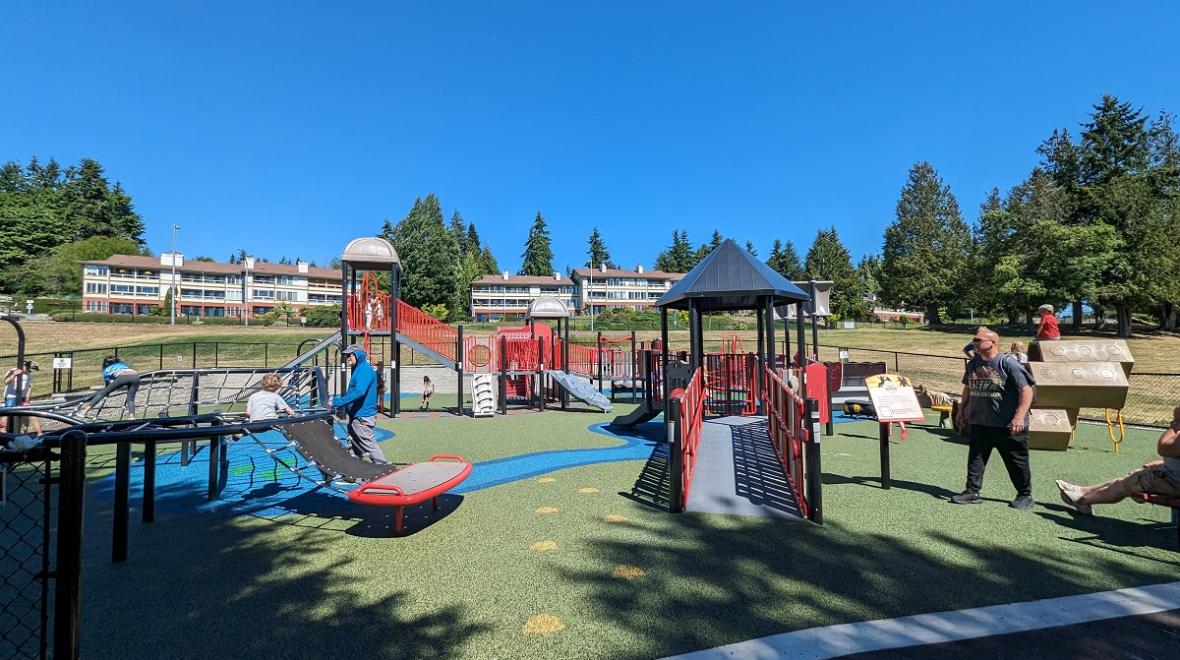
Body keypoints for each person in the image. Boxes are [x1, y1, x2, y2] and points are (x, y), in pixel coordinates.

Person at [951, 327, 1036, 509]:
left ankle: (1024, 495)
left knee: (1016, 461)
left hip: (1008, 425)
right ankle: (972, 491)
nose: (974, 343)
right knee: (976, 458)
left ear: (992, 343)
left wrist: (1019, 417)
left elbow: (1026, 391)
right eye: (974, 340)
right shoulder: (973, 363)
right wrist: (961, 410)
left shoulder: (1008, 363)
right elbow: (968, 388)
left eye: (978, 340)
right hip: (980, 422)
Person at [1057, 406, 1180, 515]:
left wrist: (1176, 423)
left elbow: (1165, 447)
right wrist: (1161, 462)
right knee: (1129, 479)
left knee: (1124, 486)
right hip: (1170, 475)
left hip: (1173, 481)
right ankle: (1082, 491)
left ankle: (1081, 501)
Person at [331, 345, 386, 464]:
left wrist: (338, 402)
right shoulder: (358, 368)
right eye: (346, 355)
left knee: (368, 445)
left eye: (350, 355)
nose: (348, 357)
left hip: (362, 416)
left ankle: (384, 471)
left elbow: (360, 391)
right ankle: (354, 473)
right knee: (353, 445)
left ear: (358, 355)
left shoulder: (364, 369)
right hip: (356, 415)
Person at [2, 361, 42, 434]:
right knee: (6, 414)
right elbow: (6, 382)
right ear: (23, 366)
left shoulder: (28, 374)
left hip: (23, 398)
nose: (29, 371)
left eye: (30, 370)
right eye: (28, 369)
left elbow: (29, 387)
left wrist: (27, 400)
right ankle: (2, 430)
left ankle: (40, 433)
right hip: (11, 397)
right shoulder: (12, 371)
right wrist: (14, 374)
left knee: (32, 414)